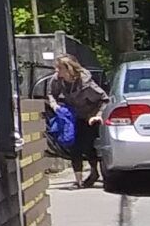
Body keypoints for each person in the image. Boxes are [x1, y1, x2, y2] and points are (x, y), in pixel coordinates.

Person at [45, 58, 110, 188]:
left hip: (89, 116)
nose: (56, 71)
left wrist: (97, 116)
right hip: (72, 116)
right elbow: (51, 93)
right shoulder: (57, 80)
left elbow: (104, 99)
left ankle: (94, 172)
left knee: (87, 146)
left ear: (69, 69)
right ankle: (78, 180)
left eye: (60, 68)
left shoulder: (86, 83)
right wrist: (55, 106)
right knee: (74, 147)